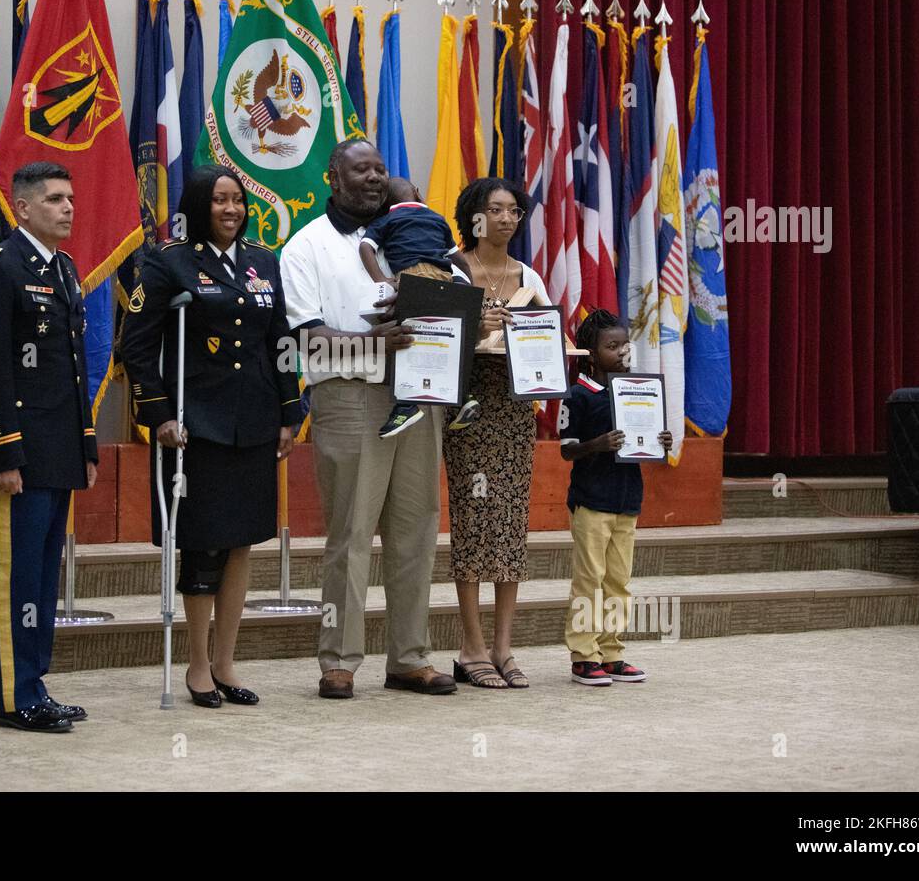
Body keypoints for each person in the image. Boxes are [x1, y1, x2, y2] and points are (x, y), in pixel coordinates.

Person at [280, 138, 457, 699]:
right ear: (334, 177)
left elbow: (451, 299)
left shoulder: (414, 235)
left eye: (381, 168)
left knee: (416, 532)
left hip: (419, 394)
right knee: (351, 535)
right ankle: (338, 660)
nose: (376, 177)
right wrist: (372, 342)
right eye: (361, 169)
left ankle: (409, 657)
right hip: (350, 397)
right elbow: (308, 341)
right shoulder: (306, 247)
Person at [120, 164, 303, 708]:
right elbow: (137, 345)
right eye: (220, 200)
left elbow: (281, 340)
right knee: (202, 547)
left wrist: (291, 411)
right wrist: (159, 417)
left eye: (237, 201)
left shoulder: (262, 262)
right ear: (199, 206)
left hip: (254, 423)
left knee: (242, 541)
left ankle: (226, 662)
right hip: (194, 427)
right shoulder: (166, 262)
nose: (231, 210)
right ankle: (197, 665)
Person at [0, 161, 98, 732]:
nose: (68, 207)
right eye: (54, 199)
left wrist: (86, 444)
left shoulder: (63, 269)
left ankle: (34, 683)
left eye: (70, 197)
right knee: (16, 577)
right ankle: (13, 695)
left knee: (44, 575)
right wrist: (1, 451)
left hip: (59, 449)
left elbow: (70, 371)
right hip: (19, 451)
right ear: (22, 207)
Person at [444, 178, 546, 690]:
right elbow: (429, 341)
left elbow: (550, 342)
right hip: (468, 406)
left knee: (510, 525)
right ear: (474, 216)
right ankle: (471, 646)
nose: (506, 219)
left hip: (514, 408)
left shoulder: (529, 275)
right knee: (472, 521)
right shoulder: (450, 268)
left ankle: (504, 647)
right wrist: (477, 327)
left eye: (514, 211)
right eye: (495, 210)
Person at [560, 309, 673, 685]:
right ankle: (582, 654)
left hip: (627, 499)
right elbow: (567, 450)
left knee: (619, 581)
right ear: (590, 354)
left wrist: (660, 441)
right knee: (589, 579)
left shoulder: (637, 390)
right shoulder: (578, 394)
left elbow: (646, 440)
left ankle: (610, 652)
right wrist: (597, 444)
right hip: (591, 500)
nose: (622, 351)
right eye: (612, 346)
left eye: (625, 344)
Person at [359, 177, 480, 438]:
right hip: (446, 281)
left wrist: (380, 279)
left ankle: (406, 405)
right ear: (417, 192)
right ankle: (464, 395)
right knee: (445, 338)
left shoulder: (385, 221)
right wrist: (468, 289)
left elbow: (365, 247)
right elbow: (460, 259)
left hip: (413, 279)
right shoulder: (437, 219)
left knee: (407, 338)